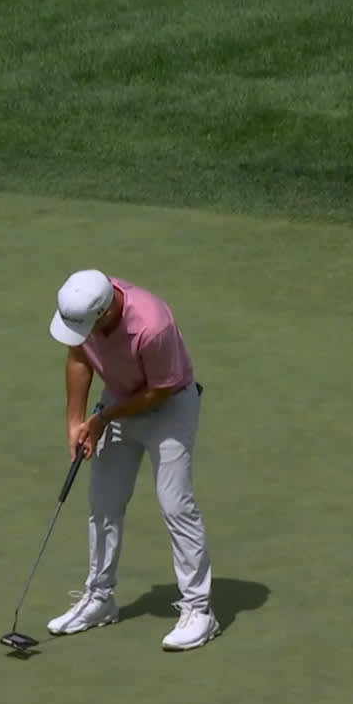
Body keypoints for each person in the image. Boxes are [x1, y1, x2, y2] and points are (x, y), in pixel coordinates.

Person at [44, 269, 220, 651]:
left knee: (175, 504)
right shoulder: (88, 304)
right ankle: (100, 598)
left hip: (169, 408)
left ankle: (199, 610)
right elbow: (78, 356)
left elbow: (159, 391)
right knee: (103, 502)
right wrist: (75, 422)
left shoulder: (152, 326)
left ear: (106, 313)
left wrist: (103, 418)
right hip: (119, 401)